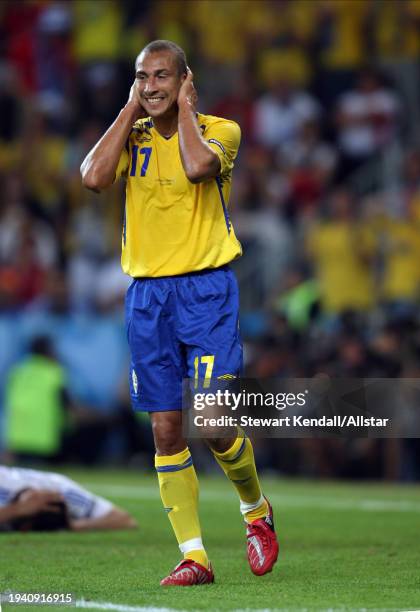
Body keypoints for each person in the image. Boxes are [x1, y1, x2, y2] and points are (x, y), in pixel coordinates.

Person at [80, 40, 279, 586]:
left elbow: (197, 169)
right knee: (167, 428)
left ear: (186, 79)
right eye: (142, 77)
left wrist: (185, 109)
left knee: (213, 423)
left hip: (206, 291)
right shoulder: (132, 132)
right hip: (147, 297)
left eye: (162, 76)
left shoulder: (221, 128)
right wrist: (127, 110)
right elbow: (93, 177)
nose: (152, 86)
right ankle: (195, 557)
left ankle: (256, 511)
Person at [0, 465, 137, 532]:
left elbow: (125, 520)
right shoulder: (6, 487)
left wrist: (72, 525)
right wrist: (16, 510)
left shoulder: (57, 487)